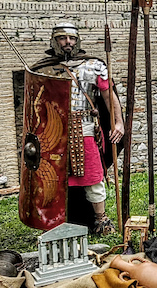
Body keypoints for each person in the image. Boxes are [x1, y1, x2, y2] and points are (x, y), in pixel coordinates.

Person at [31, 22, 124, 235]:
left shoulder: (93, 66)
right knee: (52, 178)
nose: (68, 43)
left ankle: (100, 220)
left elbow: (109, 96)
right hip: (53, 133)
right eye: (63, 38)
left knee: (93, 175)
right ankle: (52, 221)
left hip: (85, 128)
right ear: (55, 41)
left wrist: (118, 122)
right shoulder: (42, 70)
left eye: (71, 38)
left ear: (77, 40)